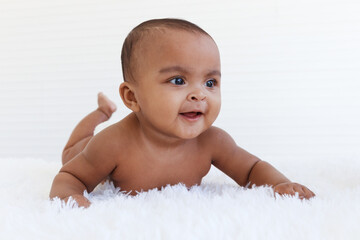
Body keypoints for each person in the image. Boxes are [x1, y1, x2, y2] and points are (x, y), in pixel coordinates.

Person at [49, 18, 315, 208]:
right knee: (71, 153)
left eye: (210, 82)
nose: (199, 94)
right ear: (132, 97)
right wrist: (70, 196)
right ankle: (101, 111)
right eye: (178, 80)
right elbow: (71, 176)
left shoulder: (213, 141)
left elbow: (252, 169)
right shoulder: (112, 143)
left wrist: (280, 184)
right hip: (89, 149)